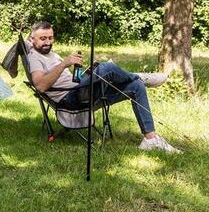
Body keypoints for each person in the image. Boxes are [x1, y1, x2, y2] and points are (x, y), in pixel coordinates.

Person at [26, 20, 178, 151]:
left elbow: (65, 78)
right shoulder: (34, 57)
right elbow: (40, 86)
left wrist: (85, 73)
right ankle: (140, 76)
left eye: (50, 38)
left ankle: (150, 139)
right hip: (70, 100)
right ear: (32, 39)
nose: (47, 42)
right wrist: (65, 63)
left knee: (136, 87)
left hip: (78, 88)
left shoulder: (51, 54)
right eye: (43, 38)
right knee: (107, 68)